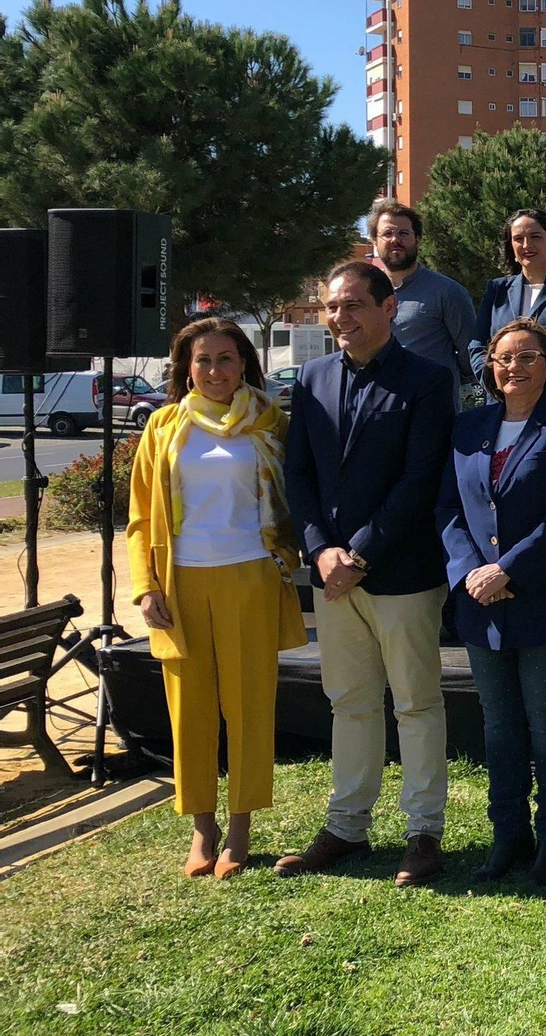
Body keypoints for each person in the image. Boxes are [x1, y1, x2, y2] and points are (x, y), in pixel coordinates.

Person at [277, 261, 455, 887]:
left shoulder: (429, 381)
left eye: (353, 305)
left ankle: (422, 833)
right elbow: (296, 473)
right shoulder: (312, 378)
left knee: (415, 703)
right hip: (330, 575)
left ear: (389, 310)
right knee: (349, 702)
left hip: (401, 571)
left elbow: (421, 477)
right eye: (331, 306)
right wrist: (321, 550)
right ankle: (347, 827)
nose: (339, 317)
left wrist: (360, 552)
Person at [127, 317, 308, 880]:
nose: (213, 371)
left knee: (249, 705)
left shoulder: (271, 423)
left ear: (243, 364)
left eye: (225, 359)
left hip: (250, 577)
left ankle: (240, 828)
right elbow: (138, 519)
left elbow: (295, 496)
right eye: (201, 360)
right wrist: (145, 586)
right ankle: (201, 828)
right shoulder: (162, 428)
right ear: (186, 367)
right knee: (190, 710)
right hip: (180, 581)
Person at [437, 317, 546, 886]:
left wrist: (506, 570)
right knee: (500, 726)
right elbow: (450, 513)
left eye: (528, 357)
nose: (514, 367)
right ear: (491, 367)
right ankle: (507, 837)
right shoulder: (467, 428)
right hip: (481, 604)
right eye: (504, 358)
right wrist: (471, 574)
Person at [469, 208, 546, 404]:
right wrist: (496, 382)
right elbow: (477, 346)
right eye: (518, 239)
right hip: (503, 404)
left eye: (535, 237)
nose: (527, 245)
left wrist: (536, 388)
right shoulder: (496, 289)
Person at [369, 198, 477, 408]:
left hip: (433, 412)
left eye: (403, 233)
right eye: (387, 233)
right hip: (378, 412)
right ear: (375, 241)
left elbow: (469, 355)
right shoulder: (365, 294)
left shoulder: (448, 292)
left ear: (417, 239)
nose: (395, 240)